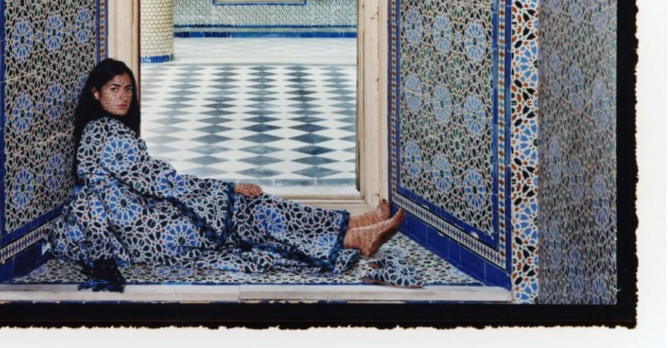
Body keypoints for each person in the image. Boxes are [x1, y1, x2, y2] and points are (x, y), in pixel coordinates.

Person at [48, 58, 405, 290]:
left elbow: (153, 181)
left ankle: (354, 225)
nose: (124, 97)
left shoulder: (106, 130)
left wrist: (219, 192)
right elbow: (161, 181)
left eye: (128, 89)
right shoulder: (106, 135)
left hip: (151, 217)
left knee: (250, 209)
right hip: (153, 230)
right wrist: (225, 186)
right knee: (250, 210)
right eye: (114, 89)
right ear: (96, 94)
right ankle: (352, 235)